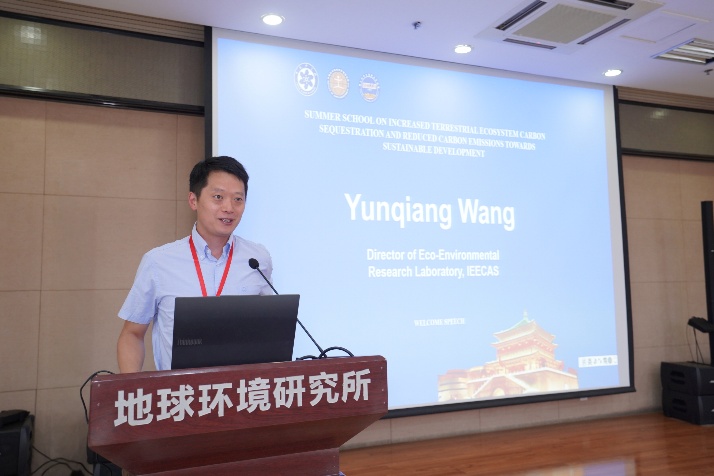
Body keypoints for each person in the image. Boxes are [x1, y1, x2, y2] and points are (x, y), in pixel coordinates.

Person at [116, 156, 273, 373]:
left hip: (241, 388)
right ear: (193, 200)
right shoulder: (158, 262)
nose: (229, 208)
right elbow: (132, 334)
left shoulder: (257, 259)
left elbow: (267, 329)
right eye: (218, 197)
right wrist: (132, 388)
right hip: (181, 391)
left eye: (238, 199)